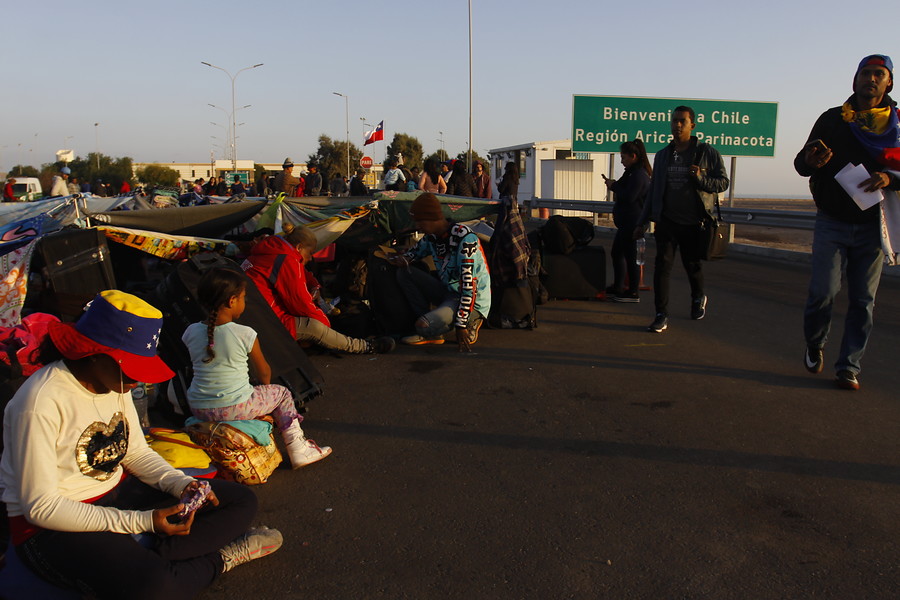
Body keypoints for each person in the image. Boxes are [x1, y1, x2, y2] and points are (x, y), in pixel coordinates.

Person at [0, 290, 282, 599]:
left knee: (240, 500)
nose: (136, 381)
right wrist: (143, 521)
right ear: (94, 354)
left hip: (115, 495)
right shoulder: (39, 402)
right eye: (130, 369)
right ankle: (218, 559)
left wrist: (180, 484)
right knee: (154, 586)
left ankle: (145, 558)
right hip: (51, 528)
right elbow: (41, 508)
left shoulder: (113, 381)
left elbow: (135, 452)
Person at [794, 54, 899, 391]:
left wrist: (888, 177)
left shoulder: (897, 126)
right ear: (854, 81)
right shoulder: (832, 120)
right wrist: (810, 160)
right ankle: (815, 342)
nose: (870, 79)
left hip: (874, 225)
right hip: (832, 220)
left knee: (863, 301)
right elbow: (801, 162)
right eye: (865, 73)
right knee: (823, 292)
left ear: (889, 83)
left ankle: (849, 366)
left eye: (878, 74)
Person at [182, 268, 331, 468]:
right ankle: (298, 448)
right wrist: (262, 397)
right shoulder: (244, 333)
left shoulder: (190, 331)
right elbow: (264, 373)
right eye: (243, 297)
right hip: (232, 407)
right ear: (232, 301)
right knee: (282, 394)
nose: (245, 302)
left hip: (198, 406)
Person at [634, 105, 729, 333]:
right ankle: (661, 314)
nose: (677, 125)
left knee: (692, 266)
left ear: (692, 125)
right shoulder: (663, 155)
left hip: (695, 222)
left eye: (682, 122)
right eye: (674, 121)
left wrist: (700, 178)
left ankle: (698, 298)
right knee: (661, 268)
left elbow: (723, 182)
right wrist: (642, 221)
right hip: (667, 221)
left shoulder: (707, 153)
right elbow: (655, 190)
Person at [242, 223, 396, 355]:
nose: (309, 259)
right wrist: (324, 322)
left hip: (253, 315)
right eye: (309, 253)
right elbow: (299, 303)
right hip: (266, 322)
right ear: (299, 247)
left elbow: (301, 276)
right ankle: (365, 347)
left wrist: (314, 284)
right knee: (314, 327)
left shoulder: (270, 252)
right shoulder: (287, 261)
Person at [389, 193, 491, 352]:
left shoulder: (465, 239)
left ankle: (471, 320)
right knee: (404, 273)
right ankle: (432, 325)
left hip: (472, 298)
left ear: (431, 218)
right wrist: (402, 259)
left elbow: (469, 286)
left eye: (420, 221)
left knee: (423, 326)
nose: (418, 227)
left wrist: (460, 325)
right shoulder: (432, 236)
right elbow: (415, 252)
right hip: (450, 292)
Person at [603, 139, 652, 302]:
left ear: (634, 156)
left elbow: (629, 196)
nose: (621, 161)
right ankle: (618, 287)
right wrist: (613, 184)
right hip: (627, 221)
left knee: (630, 256)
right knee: (617, 253)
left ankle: (633, 291)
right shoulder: (631, 173)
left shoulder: (639, 175)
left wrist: (614, 186)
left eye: (624, 157)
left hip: (633, 222)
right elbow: (622, 187)